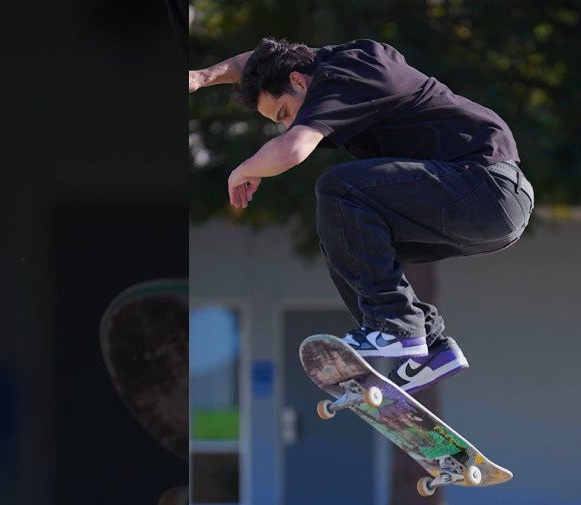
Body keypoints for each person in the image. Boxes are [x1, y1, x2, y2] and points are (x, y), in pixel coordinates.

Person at [189, 37, 534, 393]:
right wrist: (201, 77)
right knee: (340, 234)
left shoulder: (352, 70)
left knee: (339, 190)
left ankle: (394, 326)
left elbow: (292, 150)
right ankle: (428, 349)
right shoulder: (316, 68)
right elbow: (255, 62)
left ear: (298, 81)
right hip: (474, 202)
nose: (288, 125)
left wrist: (245, 168)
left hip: (486, 188)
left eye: (284, 114)